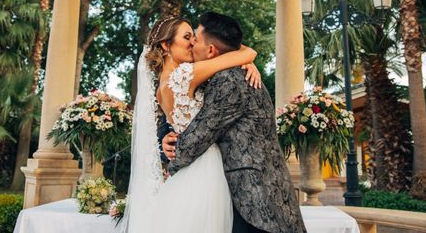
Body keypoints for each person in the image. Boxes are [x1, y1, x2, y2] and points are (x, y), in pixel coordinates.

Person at [164, 12, 307, 233]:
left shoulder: (228, 80)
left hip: (257, 203)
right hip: (261, 197)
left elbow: (199, 136)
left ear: (211, 51)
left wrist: (169, 167)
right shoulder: (234, 73)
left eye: (196, 39)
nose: (192, 43)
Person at [118, 15, 262, 233]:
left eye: (194, 37)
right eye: (187, 37)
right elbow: (247, 52)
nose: (193, 42)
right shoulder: (185, 75)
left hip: (188, 169)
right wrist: (247, 61)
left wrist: (244, 60)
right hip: (206, 167)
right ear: (166, 45)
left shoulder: (162, 86)